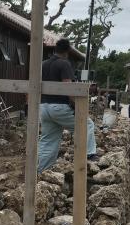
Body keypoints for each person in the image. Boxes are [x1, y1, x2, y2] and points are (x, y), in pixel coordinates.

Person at [38, 38, 97, 173]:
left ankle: (42, 171)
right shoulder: (64, 64)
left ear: (55, 49)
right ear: (67, 51)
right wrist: (76, 106)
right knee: (87, 124)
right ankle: (89, 155)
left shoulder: (43, 64)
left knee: (48, 140)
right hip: (59, 107)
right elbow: (68, 88)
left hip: (44, 106)